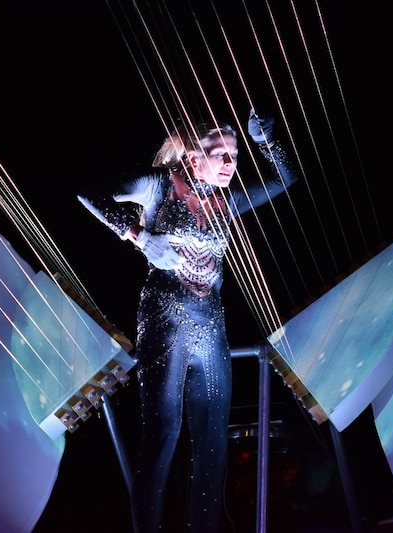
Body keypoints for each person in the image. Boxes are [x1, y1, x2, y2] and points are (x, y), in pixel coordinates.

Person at [77, 109, 299, 532]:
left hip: (211, 324)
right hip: (165, 319)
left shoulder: (228, 199)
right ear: (194, 159)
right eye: (221, 154)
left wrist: (266, 141)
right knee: (164, 433)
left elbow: (285, 178)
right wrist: (139, 237)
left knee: (213, 442)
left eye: (235, 154)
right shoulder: (160, 185)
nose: (231, 164)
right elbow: (92, 193)